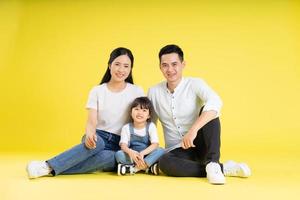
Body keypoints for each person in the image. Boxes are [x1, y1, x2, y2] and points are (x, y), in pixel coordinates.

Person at [26, 47, 144, 178]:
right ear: (109, 65)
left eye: (126, 66)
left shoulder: (136, 91)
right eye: (117, 64)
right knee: (97, 144)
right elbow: (91, 121)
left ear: (130, 69)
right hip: (98, 137)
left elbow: (141, 121)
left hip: (121, 144)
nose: (121, 70)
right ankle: (47, 166)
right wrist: (89, 134)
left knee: (110, 157)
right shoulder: (97, 91)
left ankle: (47, 168)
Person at [148, 44, 251, 184]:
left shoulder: (195, 83)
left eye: (174, 64)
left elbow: (216, 102)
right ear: (160, 67)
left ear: (183, 64)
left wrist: (193, 130)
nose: (170, 69)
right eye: (165, 65)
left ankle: (213, 162)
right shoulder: (154, 92)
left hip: (202, 145)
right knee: (165, 162)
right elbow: (150, 126)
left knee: (209, 111)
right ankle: (222, 168)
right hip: (178, 152)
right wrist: (143, 153)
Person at [115, 97, 165, 176]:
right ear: (131, 113)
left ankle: (134, 169)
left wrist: (142, 153)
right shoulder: (126, 127)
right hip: (132, 157)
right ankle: (148, 168)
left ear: (148, 115)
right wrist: (131, 152)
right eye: (136, 109)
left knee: (161, 150)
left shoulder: (151, 126)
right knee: (119, 154)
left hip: (146, 155)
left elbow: (155, 144)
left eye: (144, 110)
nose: (140, 113)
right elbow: (123, 146)